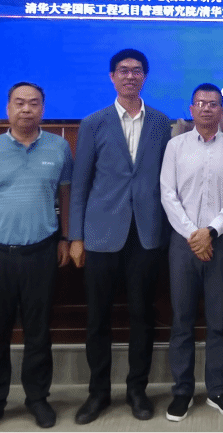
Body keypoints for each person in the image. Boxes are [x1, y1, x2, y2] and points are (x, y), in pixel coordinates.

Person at [0, 82, 73, 433]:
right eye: (20, 103)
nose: (26, 109)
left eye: (34, 103)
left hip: (41, 252)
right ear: (8, 108)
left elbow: (65, 195)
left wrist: (66, 237)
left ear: (43, 108)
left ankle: (37, 398)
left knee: (38, 333)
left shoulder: (59, 147)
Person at [68, 49, 171, 423]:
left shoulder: (161, 122)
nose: (130, 76)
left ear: (145, 76)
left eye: (137, 70)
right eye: (123, 70)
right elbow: (80, 184)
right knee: (98, 318)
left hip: (146, 234)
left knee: (143, 316)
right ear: (112, 77)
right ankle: (98, 393)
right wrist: (76, 237)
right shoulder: (93, 123)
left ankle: (137, 391)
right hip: (101, 234)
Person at [159, 83, 223, 422]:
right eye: (201, 103)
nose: (207, 108)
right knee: (181, 321)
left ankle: (218, 390)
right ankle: (182, 391)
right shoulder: (176, 146)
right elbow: (168, 194)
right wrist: (192, 234)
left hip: (222, 243)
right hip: (183, 244)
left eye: (213, 104)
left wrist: (210, 231)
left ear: (222, 110)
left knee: (218, 322)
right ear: (191, 109)